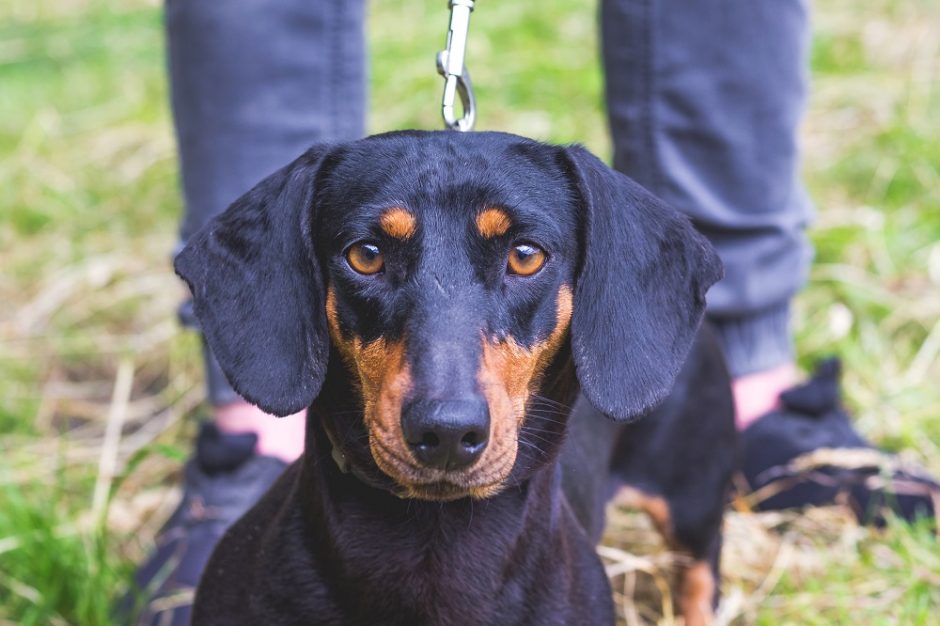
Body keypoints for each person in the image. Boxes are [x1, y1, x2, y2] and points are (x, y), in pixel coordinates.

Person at [130, 1, 937, 624]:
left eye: (522, 259)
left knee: (695, 525)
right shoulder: (248, 598)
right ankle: (255, 436)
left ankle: (719, 526)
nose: (446, 407)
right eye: (370, 257)